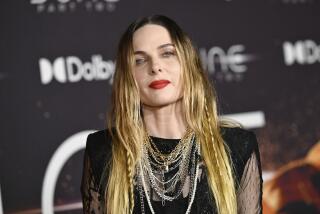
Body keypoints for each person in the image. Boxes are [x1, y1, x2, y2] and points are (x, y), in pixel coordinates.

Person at [81, 14, 263, 214]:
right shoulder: (103, 151)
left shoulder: (237, 147)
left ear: (188, 63)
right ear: (127, 78)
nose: (155, 67)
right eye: (140, 60)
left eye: (167, 53)